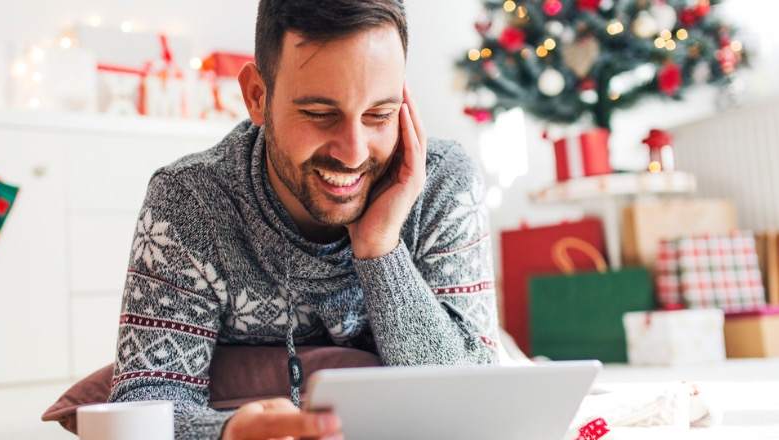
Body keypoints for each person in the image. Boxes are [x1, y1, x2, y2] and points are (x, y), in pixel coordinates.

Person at [108, 0, 501, 438]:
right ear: (258, 97)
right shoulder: (191, 200)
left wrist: (380, 247)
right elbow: (141, 409)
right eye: (319, 114)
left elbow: (475, 402)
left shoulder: (442, 182)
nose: (353, 152)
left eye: (379, 114)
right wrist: (228, 433)